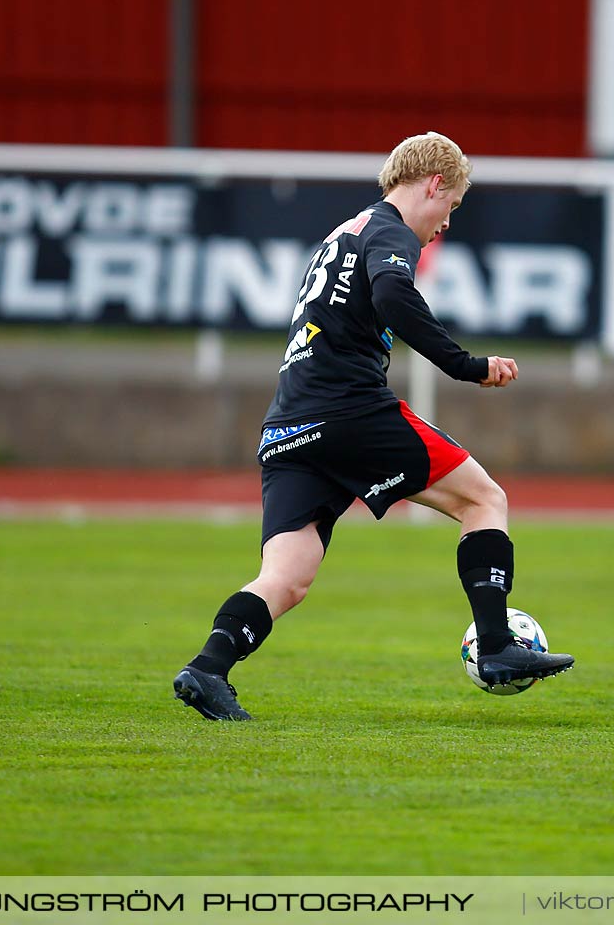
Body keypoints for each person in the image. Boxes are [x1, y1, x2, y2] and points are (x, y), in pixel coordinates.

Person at [173, 132, 574, 721]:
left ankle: (207, 669)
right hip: (350, 410)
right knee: (485, 499)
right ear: (434, 184)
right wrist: (466, 365)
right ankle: (495, 646)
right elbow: (393, 294)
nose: (444, 225)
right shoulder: (389, 232)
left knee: (285, 578)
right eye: (451, 206)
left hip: (288, 426)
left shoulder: (342, 234)